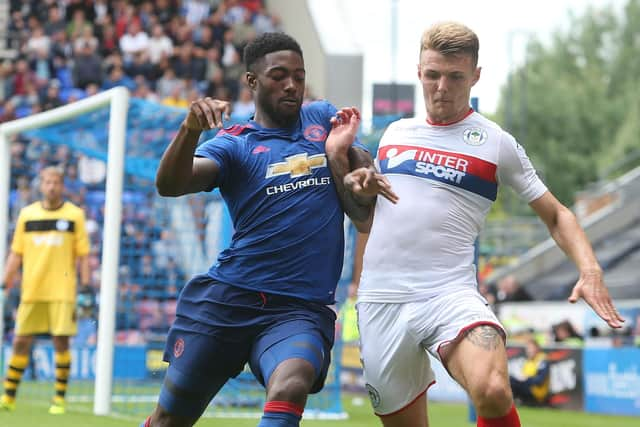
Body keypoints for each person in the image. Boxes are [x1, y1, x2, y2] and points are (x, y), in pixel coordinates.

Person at [334, 21, 624, 427]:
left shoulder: (495, 142)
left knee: (491, 389)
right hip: (381, 301)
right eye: (432, 75)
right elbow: (368, 221)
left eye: (455, 77)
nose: (441, 87)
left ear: (475, 75)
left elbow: (557, 213)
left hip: (449, 293)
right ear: (419, 72)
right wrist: (358, 186)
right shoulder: (395, 134)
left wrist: (590, 270)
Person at [140, 32, 392, 427]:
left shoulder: (322, 120)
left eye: (299, 75)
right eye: (279, 75)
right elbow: (169, 185)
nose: (292, 85)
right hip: (228, 301)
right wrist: (189, 130)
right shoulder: (233, 144)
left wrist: (351, 168)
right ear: (252, 82)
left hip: (298, 309)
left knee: (290, 386)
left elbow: (363, 212)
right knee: (170, 420)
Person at [0, 166, 91, 414]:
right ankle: (8, 396)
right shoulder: (27, 215)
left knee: (61, 342)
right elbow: (15, 254)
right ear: (41, 185)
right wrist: (4, 283)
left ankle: (59, 399)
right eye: (47, 182)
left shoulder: (74, 216)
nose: (52, 186)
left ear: (62, 186)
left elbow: (83, 256)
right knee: (20, 341)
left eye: (56, 183)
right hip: (32, 290)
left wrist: (85, 287)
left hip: (62, 291)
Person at [509, 337, 550, 406]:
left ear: (537, 349)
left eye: (531, 348)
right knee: (509, 379)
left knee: (512, 381)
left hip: (537, 392)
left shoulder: (542, 360)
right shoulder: (528, 362)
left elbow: (540, 380)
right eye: (528, 348)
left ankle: (511, 403)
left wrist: (526, 379)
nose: (529, 351)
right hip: (528, 387)